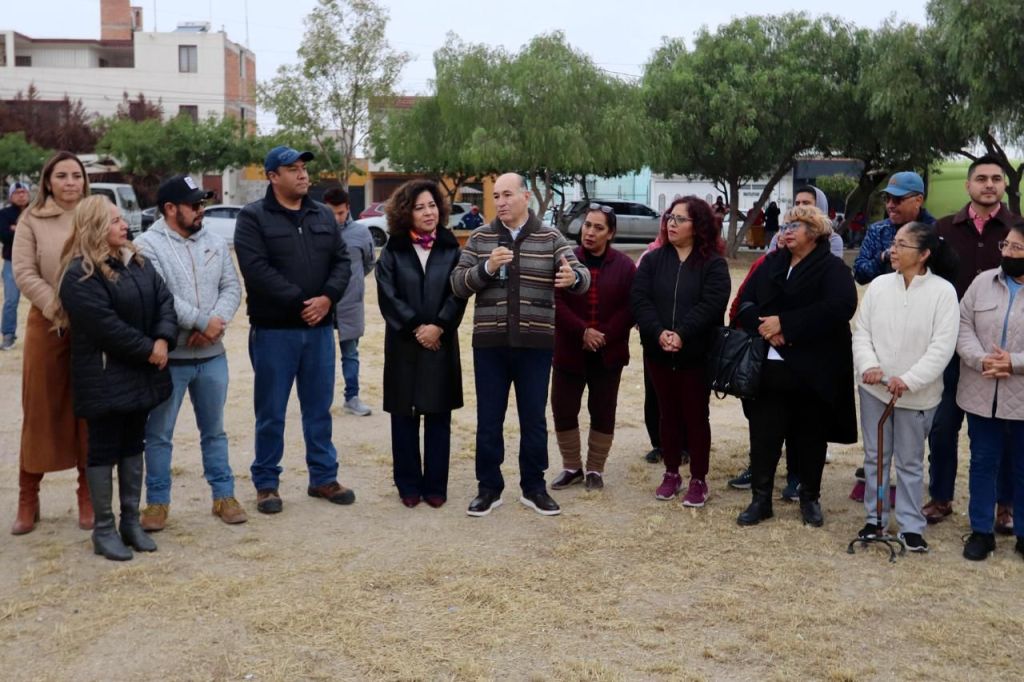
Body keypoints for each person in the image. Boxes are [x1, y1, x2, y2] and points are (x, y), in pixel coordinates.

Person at [451, 173, 590, 517]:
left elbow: (581, 275)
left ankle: (534, 487)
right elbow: (457, 284)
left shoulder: (550, 236)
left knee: (533, 419)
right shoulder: (481, 237)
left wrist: (573, 278)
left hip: (535, 344)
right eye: (496, 195)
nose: (500, 202)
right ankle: (488, 488)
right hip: (490, 344)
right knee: (489, 420)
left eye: (507, 194)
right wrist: (487, 267)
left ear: (526, 196)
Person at [57, 195, 178, 560]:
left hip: (140, 372)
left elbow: (165, 301)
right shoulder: (79, 274)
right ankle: (104, 529)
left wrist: (163, 339)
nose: (124, 224)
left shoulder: (137, 261)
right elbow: (105, 328)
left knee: (133, 444)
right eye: (114, 220)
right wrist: (150, 349)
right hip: (105, 376)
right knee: (103, 449)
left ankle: (130, 523)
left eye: (122, 218)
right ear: (94, 226)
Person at [234, 146, 353, 514]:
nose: (303, 174)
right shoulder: (253, 217)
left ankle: (323, 477)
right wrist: (304, 302)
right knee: (271, 412)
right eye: (292, 169)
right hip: (275, 332)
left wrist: (327, 299)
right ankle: (266, 483)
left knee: (319, 409)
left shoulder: (322, 214)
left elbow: (342, 262)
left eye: (303, 168)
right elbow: (256, 270)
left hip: (319, 332)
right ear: (273, 176)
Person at [134, 174, 246, 531]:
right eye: (194, 204)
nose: (201, 210)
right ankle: (157, 502)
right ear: (170, 208)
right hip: (170, 360)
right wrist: (201, 321)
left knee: (215, 431)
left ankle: (224, 495)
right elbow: (160, 295)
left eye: (202, 203)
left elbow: (232, 287)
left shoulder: (214, 241)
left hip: (212, 356)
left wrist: (215, 323)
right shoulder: (146, 245)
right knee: (159, 435)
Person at [736, 205, 857, 527]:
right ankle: (760, 500)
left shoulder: (832, 268)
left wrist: (786, 325)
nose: (786, 231)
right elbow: (745, 302)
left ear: (814, 232)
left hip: (812, 369)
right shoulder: (771, 263)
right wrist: (766, 327)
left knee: (811, 437)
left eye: (795, 226)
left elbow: (840, 307)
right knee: (764, 436)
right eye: (785, 226)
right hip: (769, 367)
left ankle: (810, 498)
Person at [852, 222, 959, 552]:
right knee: (876, 457)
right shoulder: (880, 286)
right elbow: (862, 332)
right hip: (875, 391)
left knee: (910, 462)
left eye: (901, 245)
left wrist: (909, 380)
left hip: (917, 396)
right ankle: (876, 519)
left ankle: (912, 525)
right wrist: (869, 366)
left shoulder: (943, 292)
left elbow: (942, 347)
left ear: (924, 254)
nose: (892, 251)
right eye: (893, 244)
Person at [925, 156, 1017, 529]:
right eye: (981, 178)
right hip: (950, 345)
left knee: (1005, 432)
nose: (989, 184)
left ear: (1005, 185)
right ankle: (941, 496)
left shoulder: (1017, 229)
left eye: (996, 178)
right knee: (943, 426)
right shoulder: (943, 228)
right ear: (968, 185)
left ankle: (1004, 505)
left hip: (1002, 352)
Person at [10, 152, 92, 536]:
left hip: (93, 324)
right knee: (40, 409)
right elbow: (24, 271)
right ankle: (28, 497)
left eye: (76, 175)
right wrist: (58, 308)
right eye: (62, 175)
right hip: (47, 322)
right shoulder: (32, 219)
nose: (70, 182)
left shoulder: (95, 213)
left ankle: (88, 494)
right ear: (48, 181)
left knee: (89, 409)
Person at [631, 196, 730, 507]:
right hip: (658, 352)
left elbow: (712, 304)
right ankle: (671, 472)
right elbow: (640, 300)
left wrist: (682, 334)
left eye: (680, 219)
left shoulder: (713, 264)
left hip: (696, 355)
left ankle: (699, 478)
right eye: (669, 218)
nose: (671, 224)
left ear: (697, 226)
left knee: (696, 416)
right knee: (667, 413)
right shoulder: (652, 260)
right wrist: (659, 333)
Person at [376, 180, 467, 508]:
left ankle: (436, 486)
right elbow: (387, 294)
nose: (428, 212)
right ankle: (408, 484)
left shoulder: (451, 248)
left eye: (432, 205)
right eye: (419, 207)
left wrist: (438, 327)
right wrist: (417, 327)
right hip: (404, 343)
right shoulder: (393, 250)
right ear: (406, 212)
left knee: (439, 415)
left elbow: (458, 293)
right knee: (404, 416)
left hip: (440, 343)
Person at [551, 203, 635, 491]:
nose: (590, 232)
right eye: (587, 225)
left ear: (610, 233)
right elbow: (555, 302)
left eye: (599, 228)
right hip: (569, 350)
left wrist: (603, 335)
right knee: (563, 408)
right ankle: (572, 467)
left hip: (608, 353)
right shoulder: (566, 260)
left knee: (603, 411)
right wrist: (582, 331)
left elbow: (630, 307)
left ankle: (595, 470)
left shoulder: (624, 266)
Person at [956, 222, 1024, 561]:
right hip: (981, 391)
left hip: (1021, 394)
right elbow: (962, 324)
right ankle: (981, 531)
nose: (1007, 253)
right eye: (1005, 245)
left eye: (1016, 248)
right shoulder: (983, 282)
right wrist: (981, 359)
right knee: (982, 462)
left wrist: (1014, 362)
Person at [323, 187, 376, 417]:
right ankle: (321, 401)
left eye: (341, 213)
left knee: (351, 353)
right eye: (331, 213)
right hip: (322, 302)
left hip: (350, 301)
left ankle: (351, 397)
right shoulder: (316, 231)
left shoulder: (361, 233)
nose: (336, 218)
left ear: (348, 209)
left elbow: (369, 262)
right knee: (322, 356)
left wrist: (353, 282)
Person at [853, 171, 936, 285]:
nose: (890, 205)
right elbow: (859, 274)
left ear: (918, 200)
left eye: (897, 199)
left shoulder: (935, 231)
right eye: (887, 198)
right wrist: (883, 257)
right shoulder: (878, 230)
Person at [768, 186, 844, 260]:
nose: (800, 207)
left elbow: (831, 266)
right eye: (797, 203)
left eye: (806, 203)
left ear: (819, 206)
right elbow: (768, 263)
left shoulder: (832, 239)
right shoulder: (781, 235)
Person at [0, 181, 30, 350]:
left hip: (35, 262)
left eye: (24, 192)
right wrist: (24, 230)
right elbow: (4, 236)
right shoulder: (3, 214)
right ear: (11, 196)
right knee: (11, 301)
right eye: (17, 192)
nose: (21, 195)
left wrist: (16, 228)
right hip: (12, 262)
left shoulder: (36, 212)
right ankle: (8, 335)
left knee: (42, 300)